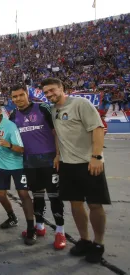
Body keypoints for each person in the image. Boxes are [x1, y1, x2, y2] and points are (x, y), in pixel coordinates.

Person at [42, 77, 110, 263]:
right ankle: (85, 240)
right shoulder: (54, 110)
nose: (50, 95)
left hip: (88, 163)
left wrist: (96, 157)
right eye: (46, 93)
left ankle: (98, 243)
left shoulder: (81, 103)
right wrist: (57, 155)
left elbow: (97, 129)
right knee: (75, 204)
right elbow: (58, 135)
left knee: (95, 204)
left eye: (52, 90)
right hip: (67, 164)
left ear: (61, 88)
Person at [9, 85, 66, 250]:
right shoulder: (13, 115)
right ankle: (40, 226)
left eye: (21, 95)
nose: (18, 99)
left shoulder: (42, 107)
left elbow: (56, 132)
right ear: (12, 99)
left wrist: (58, 155)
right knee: (37, 196)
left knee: (54, 196)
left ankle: (60, 232)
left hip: (49, 160)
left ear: (27, 94)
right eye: (15, 97)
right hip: (29, 162)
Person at [0, 99, 36, 245]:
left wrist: (9, 144)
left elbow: (21, 149)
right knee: (1, 194)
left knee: (23, 194)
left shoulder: (10, 126)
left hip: (18, 165)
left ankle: (31, 229)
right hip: (1, 166)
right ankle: (12, 217)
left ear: (0, 111)